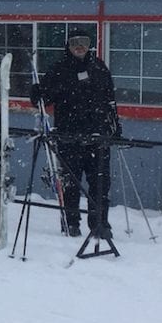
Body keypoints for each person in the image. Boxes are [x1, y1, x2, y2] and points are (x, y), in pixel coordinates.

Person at [32, 34, 120, 239]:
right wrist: (36, 93)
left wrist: (114, 125)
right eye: (74, 43)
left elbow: (110, 99)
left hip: (97, 135)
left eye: (84, 43)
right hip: (69, 135)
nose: (79, 47)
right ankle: (71, 223)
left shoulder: (99, 68)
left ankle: (99, 223)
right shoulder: (59, 69)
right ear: (68, 46)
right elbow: (43, 98)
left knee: (100, 182)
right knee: (71, 182)